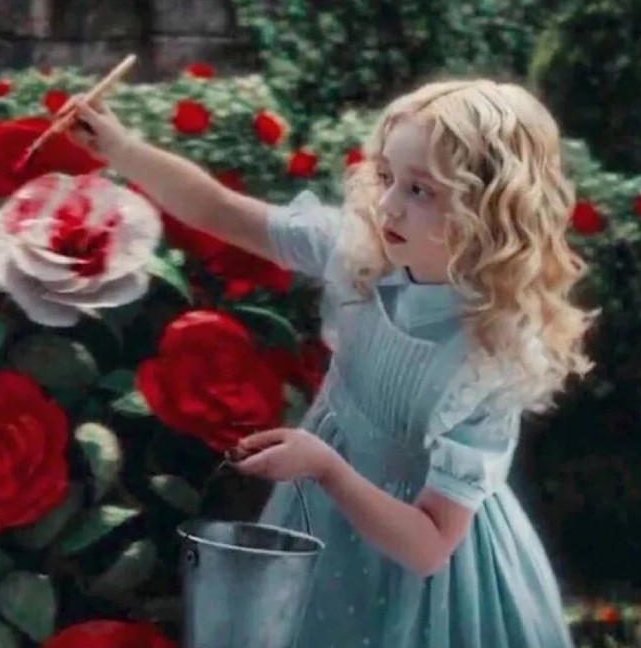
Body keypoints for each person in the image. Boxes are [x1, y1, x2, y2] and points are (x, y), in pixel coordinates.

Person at [71, 78, 595, 648]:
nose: (389, 204)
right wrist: (120, 147)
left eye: (420, 190)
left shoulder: (484, 358)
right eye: (387, 177)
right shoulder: (363, 251)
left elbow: (430, 547)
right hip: (322, 517)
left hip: (426, 579)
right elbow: (219, 210)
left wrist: (328, 469)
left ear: (488, 212)